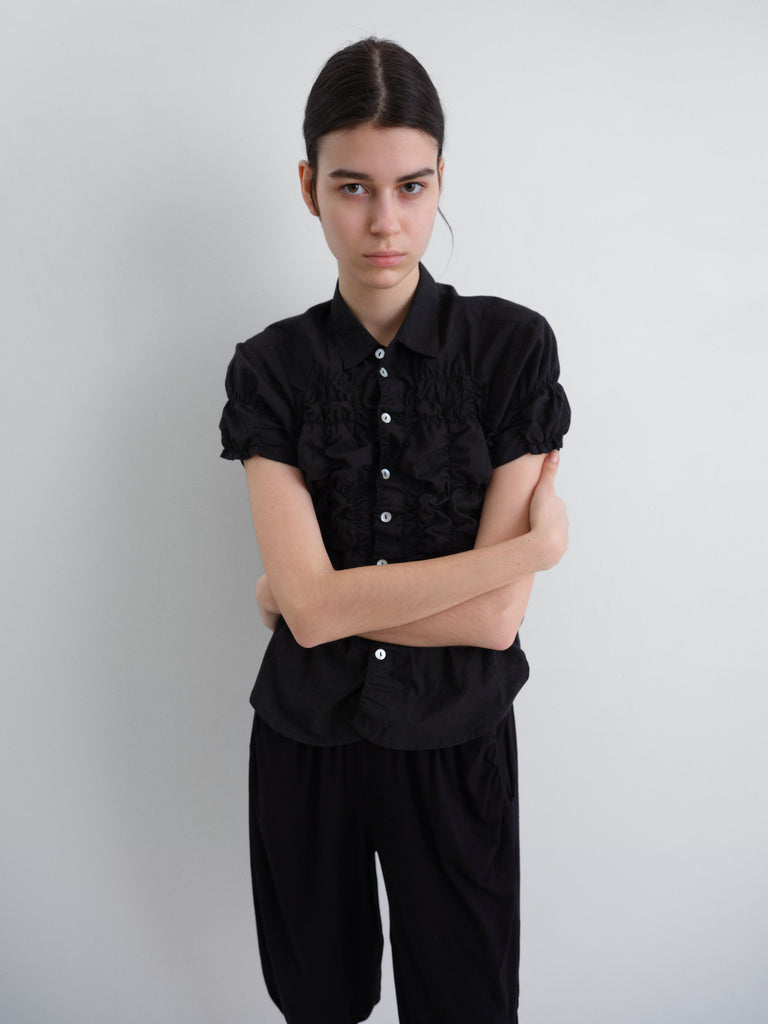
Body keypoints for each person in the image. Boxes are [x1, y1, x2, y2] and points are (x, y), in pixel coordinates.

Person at [220, 36, 570, 1024]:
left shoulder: (510, 351)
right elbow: (318, 610)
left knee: (465, 1003)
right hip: (304, 747)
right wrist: (529, 552)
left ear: (440, 180)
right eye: (353, 187)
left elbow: (493, 621)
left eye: (412, 187)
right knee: (318, 1002)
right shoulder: (270, 369)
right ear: (308, 187)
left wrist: (312, 602)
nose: (385, 221)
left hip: (455, 743)